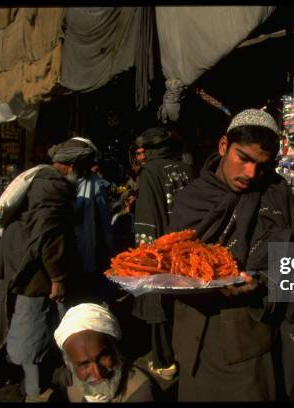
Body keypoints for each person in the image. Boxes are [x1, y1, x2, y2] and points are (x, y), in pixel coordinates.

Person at [165, 109, 294, 401]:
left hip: (247, 336)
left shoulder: (275, 193)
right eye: (244, 159)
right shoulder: (192, 196)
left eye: (261, 166)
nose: (251, 174)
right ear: (223, 146)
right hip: (194, 336)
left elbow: (287, 259)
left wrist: (260, 281)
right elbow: (169, 261)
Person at [0, 140, 84, 403]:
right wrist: (57, 278)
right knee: (33, 326)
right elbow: (49, 236)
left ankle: (40, 382)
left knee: (38, 323)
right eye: (84, 169)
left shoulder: (43, 178)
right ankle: (36, 391)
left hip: (26, 260)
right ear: (73, 166)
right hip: (33, 269)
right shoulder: (52, 186)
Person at [131, 127, 195, 381]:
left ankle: (164, 362)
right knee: (183, 303)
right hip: (188, 248)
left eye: (141, 150)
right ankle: (186, 353)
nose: (139, 156)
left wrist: (144, 257)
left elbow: (147, 218)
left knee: (157, 304)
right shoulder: (186, 169)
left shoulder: (151, 173)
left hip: (162, 249)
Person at [53, 303, 156, 402]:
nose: (98, 374)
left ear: (115, 350)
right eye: (84, 364)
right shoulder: (66, 383)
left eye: (102, 357)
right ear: (70, 364)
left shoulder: (141, 392)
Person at [53, 137, 115, 303]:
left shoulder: (94, 184)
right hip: (60, 259)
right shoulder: (54, 182)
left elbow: (104, 225)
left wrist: (110, 255)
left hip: (86, 257)